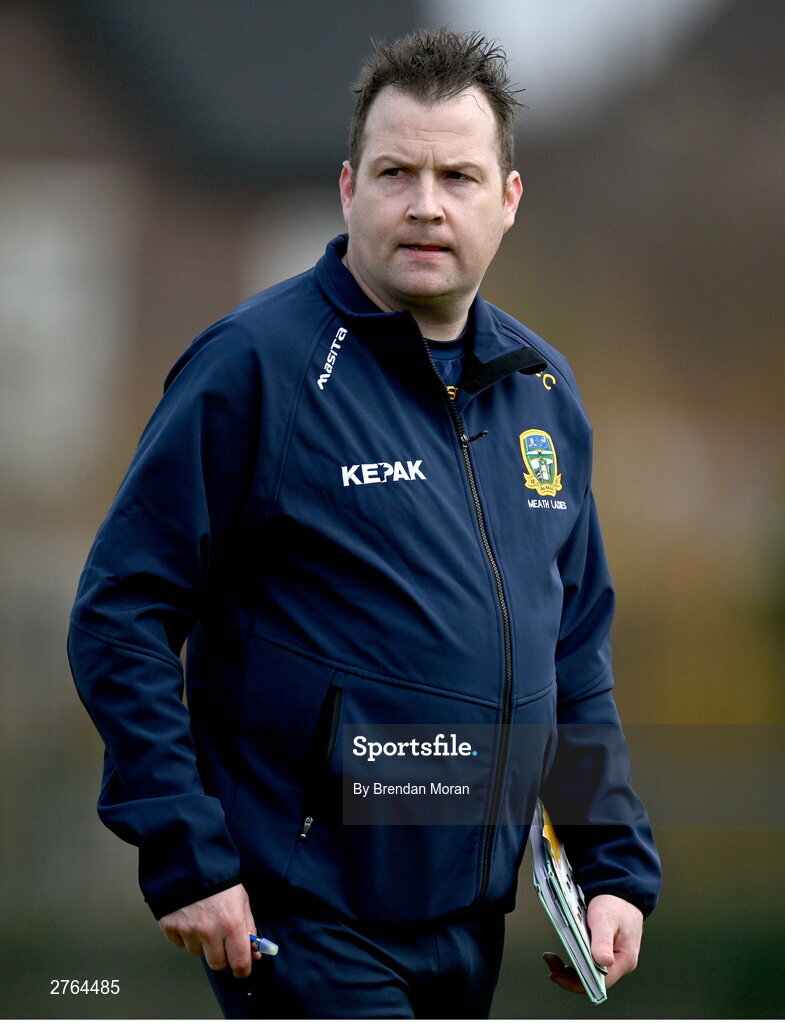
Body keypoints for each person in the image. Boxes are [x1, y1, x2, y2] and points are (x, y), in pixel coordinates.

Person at [68, 28, 661, 1019]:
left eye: (458, 176)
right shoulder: (257, 367)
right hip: (305, 925)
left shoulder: (542, 394)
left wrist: (611, 864)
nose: (426, 203)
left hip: (469, 928)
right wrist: (184, 847)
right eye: (397, 171)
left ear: (507, 200)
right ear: (348, 187)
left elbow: (576, 652)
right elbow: (120, 611)